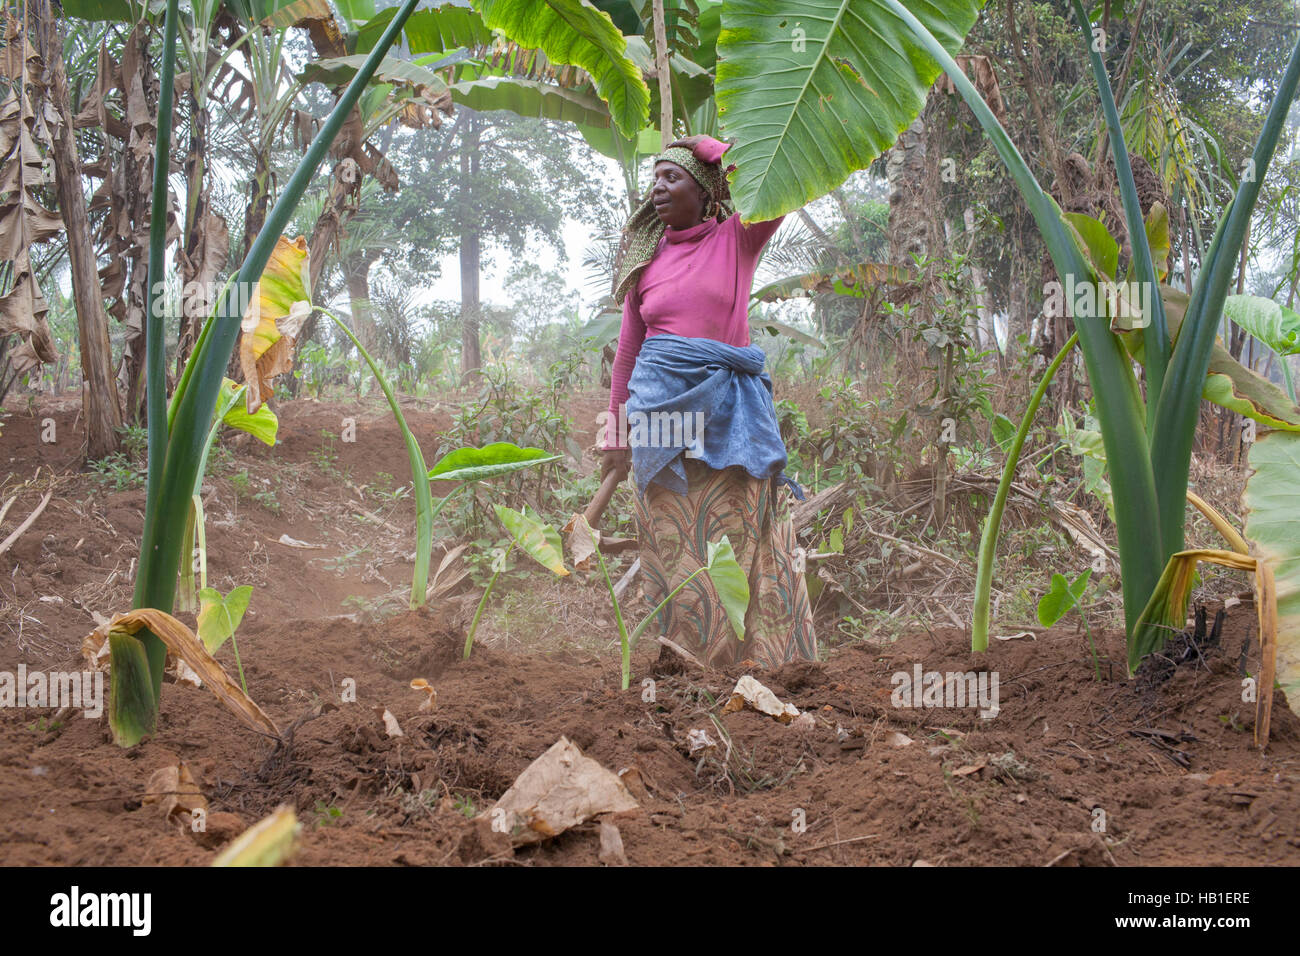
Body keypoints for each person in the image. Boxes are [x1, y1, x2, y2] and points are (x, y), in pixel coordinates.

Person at [600, 134, 817, 668]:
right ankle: (685, 662)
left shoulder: (737, 240)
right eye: (654, 178)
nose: (657, 187)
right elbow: (628, 352)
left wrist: (715, 151)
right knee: (675, 544)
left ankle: (754, 660)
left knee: (731, 535)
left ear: (704, 191)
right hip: (656, 421)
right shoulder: (644, 263)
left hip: (726, 416)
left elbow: (780, 181)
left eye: (672, 177)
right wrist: (616, 429)